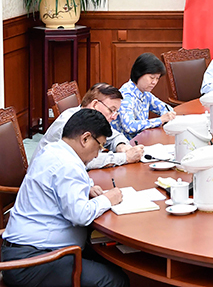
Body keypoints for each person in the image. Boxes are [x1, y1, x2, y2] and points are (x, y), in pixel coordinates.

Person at [1, 109, 128, 287]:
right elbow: (80, 215)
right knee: (114, 281)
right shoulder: (67, 164)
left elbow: (61, 186)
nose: (97, 154)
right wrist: (108, 199)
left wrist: (88, 189)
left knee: (112, 260)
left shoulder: (54, 150)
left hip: (32, 250)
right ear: (85, 139)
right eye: (99, 146)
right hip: (32, 262)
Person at [35, 83, 144, 168]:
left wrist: (121, 146)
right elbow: (87, 160)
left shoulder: (93, 120)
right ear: (95, 104)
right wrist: (125, 157)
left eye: (116, 112)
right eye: (112, 110)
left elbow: (114, 135)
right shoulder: (71, 122)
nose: (114, 117)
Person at [112, 52, 174, 140]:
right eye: (151, 78)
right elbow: (129, 126)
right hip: (126, 144)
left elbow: (165, 108)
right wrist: (160, 120)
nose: (154, 82)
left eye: (157, 78)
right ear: (139, 73)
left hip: (142, 139)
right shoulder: (126, 95)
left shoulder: (145, 93)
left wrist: (167, 116)